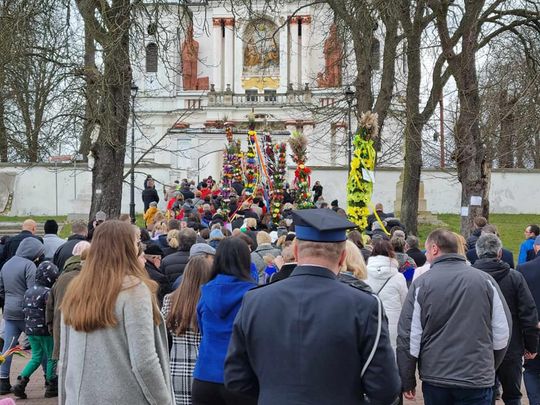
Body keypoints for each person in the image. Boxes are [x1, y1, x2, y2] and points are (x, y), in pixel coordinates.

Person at [225, 209, 401, 404]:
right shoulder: (364, 305)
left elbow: (236, 379)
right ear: (342, 257)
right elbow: (385, 388)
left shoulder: (255, 301)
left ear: (296, 252)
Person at [59, 220, 173, 404]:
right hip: (126, 397)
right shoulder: (134, 290)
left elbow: (65, 359)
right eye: (136, 243)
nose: (140, 249)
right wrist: (164, 401)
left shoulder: (76, 290)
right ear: (126, 248)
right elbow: (145, 362)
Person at [397, 229, 511, 405]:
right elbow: (502, 332)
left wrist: (408, 378)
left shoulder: (422, 284)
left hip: (437, 377)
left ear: (434, 249)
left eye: (427, 250)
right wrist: (489, 365)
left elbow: (409, 335)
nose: (425, 254)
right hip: (476, 375)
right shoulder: (485, 281)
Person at [473, 233, 539, 405]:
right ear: (500, 253)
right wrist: (531, 345)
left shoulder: (469, 278)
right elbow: (528, 314)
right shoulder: (514, 277)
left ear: (478, 253)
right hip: (511, 345)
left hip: (478, 346)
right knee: (513, 395)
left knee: (483, 394)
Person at [192, 237, 257, 405]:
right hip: (241, 377)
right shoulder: (253, 296)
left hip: (205, 375)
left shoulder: (206, 292)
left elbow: (203, 329)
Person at [162, 256, 213, 405]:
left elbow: (163, 330)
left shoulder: (170, 299)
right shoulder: (210, 301)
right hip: (204, 368)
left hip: (176, 367)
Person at [0, 237, 44, 393]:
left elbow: (1, 289)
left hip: (9, 311)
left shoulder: (7, 264)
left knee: (8, 348)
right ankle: (50, 379)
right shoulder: (29, 265)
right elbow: (33, 290)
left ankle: (3, 381)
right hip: (26, 313)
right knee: (40, 345)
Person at [13, 261, 59, 399]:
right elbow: (51, 311)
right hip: (45, 331)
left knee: (36, 358)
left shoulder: (28, 291)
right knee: (51, 357)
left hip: (31, 331)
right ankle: (51, 386)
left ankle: (20, 382)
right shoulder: (48, 292)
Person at [46, 241, 89, 366]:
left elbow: (49, 305)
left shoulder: (61, 277)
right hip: (81, 331)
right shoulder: (89, 278)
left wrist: (51, 327)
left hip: (60, 328)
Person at [366, 239, 407, 350]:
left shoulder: (364, 274)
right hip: (393, 322)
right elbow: (405, 302)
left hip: (370, 321)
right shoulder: (398, 277)